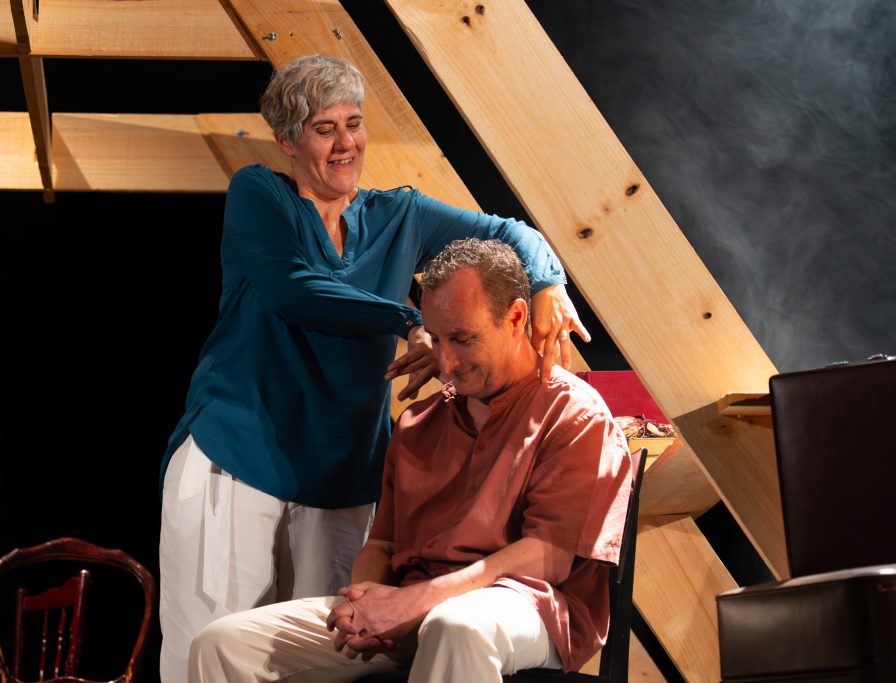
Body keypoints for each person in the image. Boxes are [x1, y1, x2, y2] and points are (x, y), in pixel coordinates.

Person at [159, 55, 591, 682]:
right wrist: (411, 319)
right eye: (323, 129)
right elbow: (295, 290)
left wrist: (549, 283)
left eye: (354, 123)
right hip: (239, 455)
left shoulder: (400, 215)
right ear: (287, 141)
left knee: (329, 659)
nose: (345, 143)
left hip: (342, 474)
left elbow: (509, 234)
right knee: (213, 650)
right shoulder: (261, 195)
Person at [188, 238, 634, 683]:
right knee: (223, 644)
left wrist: (414, 602)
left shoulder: (575, 415)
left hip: (528, 605)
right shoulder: (418, 423)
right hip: (413, 603)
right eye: (436, 340)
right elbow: (382, 545)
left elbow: (548, 557)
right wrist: (364, 603)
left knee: (456, 625)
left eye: (462, 339)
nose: (446, 363)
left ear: (516, 318)